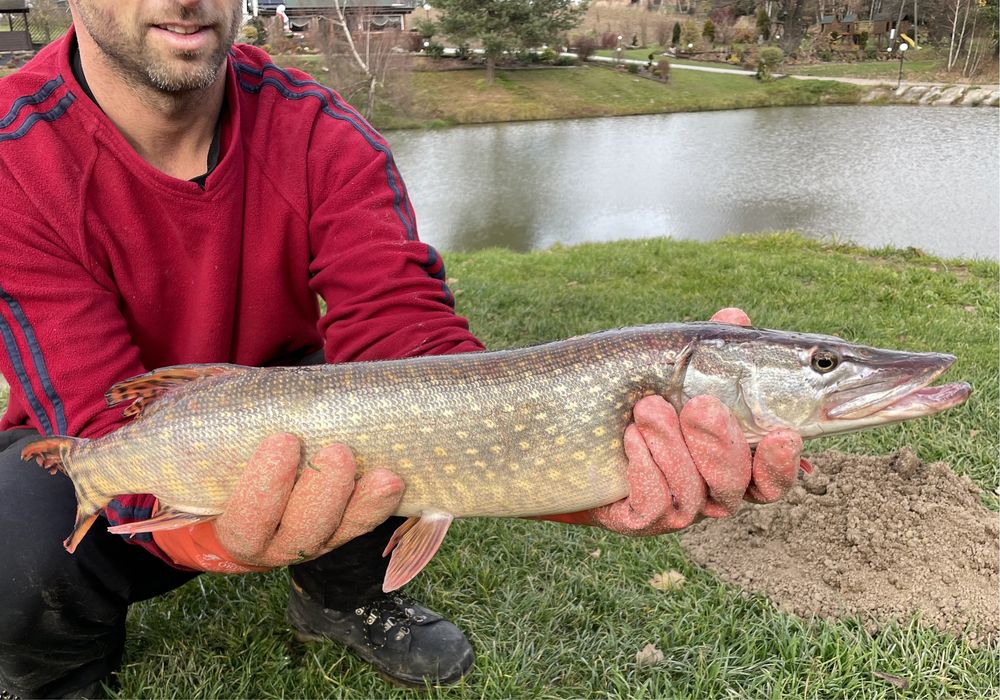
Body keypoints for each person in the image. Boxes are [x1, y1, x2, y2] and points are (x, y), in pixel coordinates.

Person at [0, 2, 805, 697]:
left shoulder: (315, 125)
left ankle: (337, 595)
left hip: (299, 408)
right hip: (109, 435)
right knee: (17, 528)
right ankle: (55, 673)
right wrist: (213, 538)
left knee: (385, 412)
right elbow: (96, 410)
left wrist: (585, 478)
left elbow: (406, 330)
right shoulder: (13, 152)